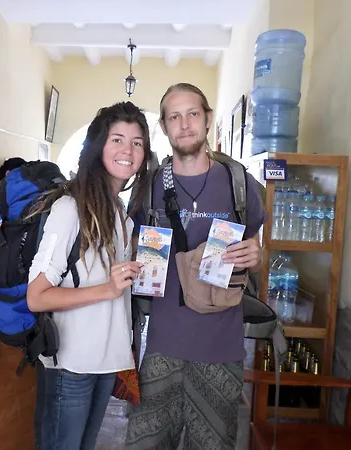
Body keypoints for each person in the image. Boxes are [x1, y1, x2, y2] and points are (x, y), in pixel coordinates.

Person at [126, 83, 267, 450]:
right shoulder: (148, 187)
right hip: (161, 346)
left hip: (221, 348)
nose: (184, 124)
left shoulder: (239, 182)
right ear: (163, 126)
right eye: (174, 117)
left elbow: (256, 248)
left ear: (207, 119)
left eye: (192, 114)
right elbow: (129, 249)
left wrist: (257, 255)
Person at [26, 101, 151, 450]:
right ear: (98, 146)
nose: (128, 150)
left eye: (137, 142)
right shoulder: (70, 208)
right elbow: (37, 296)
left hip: (105, 361)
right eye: (117, 139)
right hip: (72, 363)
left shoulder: (120, 213)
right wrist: (107, 289)